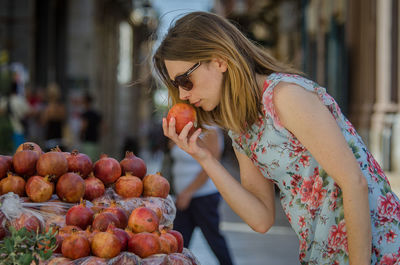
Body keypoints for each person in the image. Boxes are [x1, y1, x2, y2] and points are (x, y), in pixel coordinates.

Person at [153, 11, 400, 265]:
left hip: (378, 250)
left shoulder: (285, 96)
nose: (182, 94)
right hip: (326, 254)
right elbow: (261, 219)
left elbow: (354, 183)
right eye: (176, 86)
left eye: (185, 80)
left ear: (219, 61)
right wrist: (204, 158)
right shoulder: (242, 129)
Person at [169, 125, 234, 265]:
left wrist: (188, 192)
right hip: (183, 197)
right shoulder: (183, 126)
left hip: (204, 196)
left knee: (214, 239)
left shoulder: (210, 129)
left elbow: (211, 167)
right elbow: (171, 147)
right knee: (179, 242)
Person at [0, 81, 30, 151]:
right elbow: (29, 112)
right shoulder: (21, 100)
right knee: (21, 153)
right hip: (20, 130)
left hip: (8, 131)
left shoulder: (5, 100)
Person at [41, 83, 67, 151]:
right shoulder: (61, 107)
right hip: (60, 137)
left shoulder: (47, 108)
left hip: (50, 138)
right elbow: (64, 121)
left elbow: (43, 122)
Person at [80, 92, 102, 161]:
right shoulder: (96, 113)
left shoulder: (86, 113)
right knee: (94, 159)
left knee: (87, 160)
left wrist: (81, 133)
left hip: (88, 139)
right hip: (95, 140)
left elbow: (84, 125)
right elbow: (104, 127)